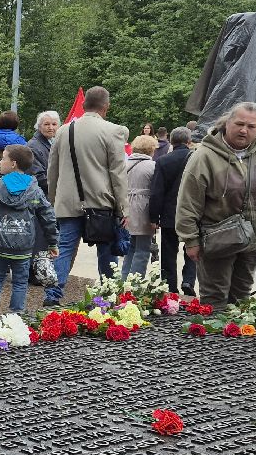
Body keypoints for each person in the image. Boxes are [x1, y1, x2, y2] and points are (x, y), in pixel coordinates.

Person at [175, 102, 256, 310]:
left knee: (242, 294)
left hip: (254, 237)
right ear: (227, 123)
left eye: (252, 126)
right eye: (239, 123)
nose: (244, 130)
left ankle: (237, 339)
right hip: (217, 239)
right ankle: (212, 340)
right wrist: (190, 240)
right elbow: (188, 202)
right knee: (215, 297)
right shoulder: (204, 156)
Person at [43, 86, 128, 305]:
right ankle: (108, 298)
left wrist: (54, 201)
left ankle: (52, 296)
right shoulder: (114, 131)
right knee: (107, 253)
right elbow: (117, 174)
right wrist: (123, 208)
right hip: (101, 203)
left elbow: (52, 172)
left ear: (83, 105)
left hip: (67, 203)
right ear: (106, 107)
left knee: (64, 250)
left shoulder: (63, 131)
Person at [0, 143, 57, 314]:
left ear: (13, 164)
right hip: (23, 246)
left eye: (3, 158)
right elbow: (47, 216)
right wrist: (53, 243)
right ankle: (16, 312)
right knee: (20, 281)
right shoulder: (34, 190)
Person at [149, 126, 198, 295]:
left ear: (171, 141)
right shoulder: (197, 159)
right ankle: (189, 280)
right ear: (189, 141)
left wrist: (153, 217)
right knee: (192, 249)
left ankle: (170, 288)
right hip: (193, 213)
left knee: (169, 253)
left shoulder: (163, 161)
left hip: (170, 214)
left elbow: (157, 192)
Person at [121, 134, 159, 275]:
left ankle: (124, 281)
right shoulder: (152, 166)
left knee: (131, 247)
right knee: (143, 249)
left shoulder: (124, 164)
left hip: (126, 207)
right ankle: (135, 285)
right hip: (143, 207)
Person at [29, 110, 60, 194]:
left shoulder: (55, 142)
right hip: (42, 196)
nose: (51, 127)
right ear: (39, 126)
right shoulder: (33, 146)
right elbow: (37, 177)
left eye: (54, 124)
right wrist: (61, 185)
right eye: (46, 124)